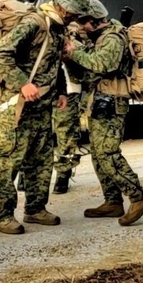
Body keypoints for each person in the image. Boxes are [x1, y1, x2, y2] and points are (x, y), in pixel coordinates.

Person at [0, 0, 90, 235]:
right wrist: (23, 84)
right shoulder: (34, 23)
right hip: (18, 108)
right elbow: (0, 53)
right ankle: (0, 214)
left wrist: (62, 91)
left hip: (43, 108)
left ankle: (35, 209)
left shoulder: (57, 29)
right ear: (62, 6)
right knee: (7, 161)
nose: (76, 18)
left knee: (40, 160)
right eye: (74, 13)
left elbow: (54, 65)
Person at [66, 0, 143, 225]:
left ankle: (139, 197)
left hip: (111, 103)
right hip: (98, 102)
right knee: (98, 154)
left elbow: (104, 65)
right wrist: (71, 57)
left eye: (84, 23)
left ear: (95, 21)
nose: (81, 27)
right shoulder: (98, 38)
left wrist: (74, 53)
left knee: (108, 154)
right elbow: (85, 73)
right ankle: (113, 201)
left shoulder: (113, 38)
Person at [52, 22, 88, 195]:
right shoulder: (43, 33)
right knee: (38, 135)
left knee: (65, 134)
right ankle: (28, 176)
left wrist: (71, 51)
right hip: (44, 90)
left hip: (69, 90)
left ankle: (63, 175)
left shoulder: (74, 37)